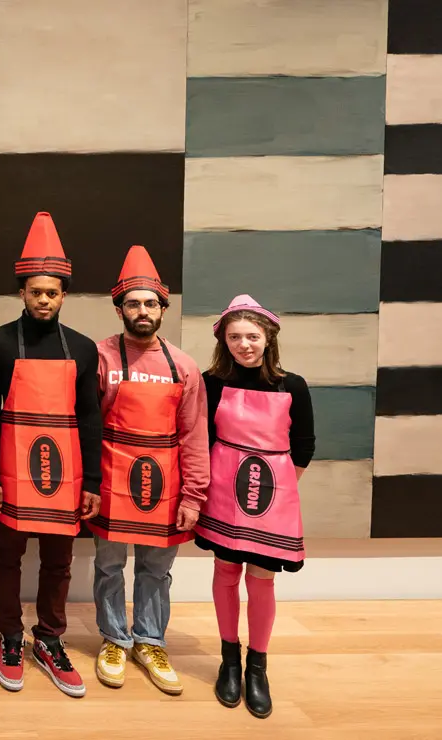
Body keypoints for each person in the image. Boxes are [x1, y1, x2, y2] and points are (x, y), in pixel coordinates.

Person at [0, 212, 103, 698]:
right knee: (7, 557)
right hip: (12, 472)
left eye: (52, 292)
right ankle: (9, 636)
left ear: (63, 294)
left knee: (59, 561)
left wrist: (92, 481)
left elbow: (91, 417)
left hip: (65, 474)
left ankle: (49, 639)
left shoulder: (86, 349)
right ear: (22, 294)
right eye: (36, 292)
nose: (44, 300)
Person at [87, 245, 209, 696]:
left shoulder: (185, 367)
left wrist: (194, 496)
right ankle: (114, 639)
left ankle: (150, 641)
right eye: (134, 303)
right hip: (113, 480)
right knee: (109, 566)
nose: (143, 311)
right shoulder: (99, 357)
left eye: (151, 303)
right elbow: (86, 426)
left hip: (166, 485)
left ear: (163, 308)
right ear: (120, 307)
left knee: (156, 570)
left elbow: (196, 435)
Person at [195, 295, 314, 720]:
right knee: (226, 572)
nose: (244, 344)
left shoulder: (292, 384)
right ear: (223, 342)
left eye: (251, 336)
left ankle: (257, 668)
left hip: (273, 498)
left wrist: (276, 489)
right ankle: (229, 661)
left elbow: (303, 447)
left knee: (262, 579)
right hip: (224, 493)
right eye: (234, 337)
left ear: (269, 338)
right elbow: (201, 439)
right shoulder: (211, 382)